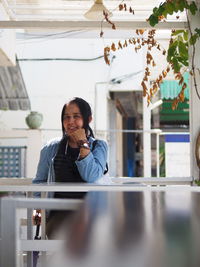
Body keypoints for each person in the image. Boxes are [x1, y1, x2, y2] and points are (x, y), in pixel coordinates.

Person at [33, 97, 108, 196]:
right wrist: (36, 212)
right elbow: (38, 186)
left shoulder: (99, 147)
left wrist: (82, 142)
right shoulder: (51, 148)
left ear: (88, 119)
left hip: (90, 211)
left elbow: (91, 176)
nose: (70, 121)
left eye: (76, 116)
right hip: (57, 210)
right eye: (66, 117)